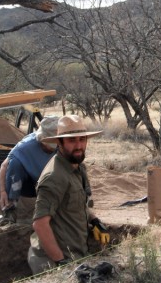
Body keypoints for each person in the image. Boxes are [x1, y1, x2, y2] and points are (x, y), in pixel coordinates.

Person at [27, 115, 109, 274]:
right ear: (60, 143)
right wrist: (62, 263)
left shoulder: (78, 167)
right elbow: (40, 224)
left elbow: (78, 203)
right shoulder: (54, 177)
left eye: (82, 139)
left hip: (75, 256)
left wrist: (95, 221)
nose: (79, 145)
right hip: (51, 261)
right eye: (72, 141)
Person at [0, 115, 59, 225]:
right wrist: (3, 191)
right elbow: (4, 166)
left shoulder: (64, 144)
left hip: (51, 183)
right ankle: (10, 210)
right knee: (15, 163)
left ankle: (58, 211)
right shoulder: (25, 146)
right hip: (29, 184)